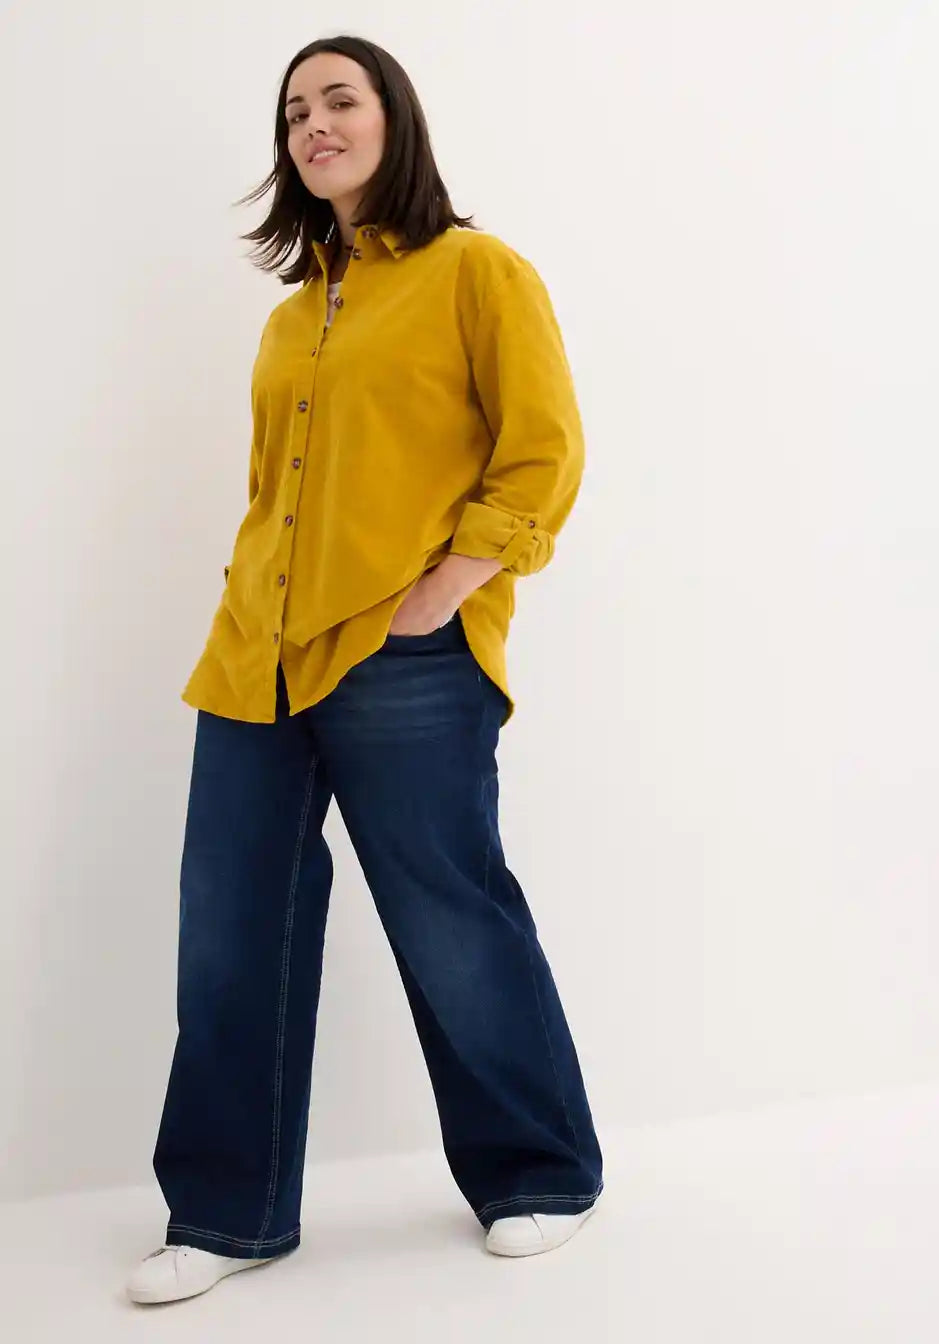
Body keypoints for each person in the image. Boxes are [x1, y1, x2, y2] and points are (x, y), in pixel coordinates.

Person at [126, 33, 604, 1306]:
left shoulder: (476, 272)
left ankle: (542, 1174)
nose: (315, 126)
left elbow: (543, 454)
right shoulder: (294, 314)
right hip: (254, 661)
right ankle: (226, 1215)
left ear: (396, 118)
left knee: (449, 913)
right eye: (296, 112)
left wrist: (443, 591)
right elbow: (271, 494)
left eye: (340, 100)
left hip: (407, 656)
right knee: (229, 933)